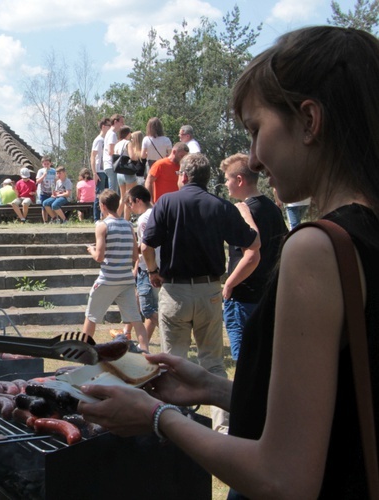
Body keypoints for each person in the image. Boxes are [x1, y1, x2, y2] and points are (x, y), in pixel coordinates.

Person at [79, 26, 379, 498]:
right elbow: (327, 413)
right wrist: (210, 387)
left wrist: (157, 417)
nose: (255, 158)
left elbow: (283, 478)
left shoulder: (317, 249)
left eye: (258, 130)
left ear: (309, 120)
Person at [141, 153, 260, 430]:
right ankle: (223, 428)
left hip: (175, 291)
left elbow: (146, 246)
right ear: (208, 179)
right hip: (209, 291)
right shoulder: (220, 205)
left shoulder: (167, 202)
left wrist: (152, 272)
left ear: (183, 176)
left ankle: (179, 426)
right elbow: (251, 242)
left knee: (173, 363)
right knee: (213, 364)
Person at [221, 153, 287, 361]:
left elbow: (250, 257)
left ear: (239, 180)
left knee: (244, 358)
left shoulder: (243, 212)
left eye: (227, 179)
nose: (225, 184)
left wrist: (229, 285)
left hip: (243, 296)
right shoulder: (273, 209)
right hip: (266, 294)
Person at [84, 190, 149, 351]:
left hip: (107, 279)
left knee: (91, 318)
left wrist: (91, 250)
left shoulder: (102, 225)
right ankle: (147, 353)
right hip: (126, 279)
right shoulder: (128, 225)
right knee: (136, 320)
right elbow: (135, 255)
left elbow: (99, 256)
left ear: (103, 206)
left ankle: (82, 351)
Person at [127, 185, 160, 343]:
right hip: (154, 265)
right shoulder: (158, 213)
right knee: (152, 306)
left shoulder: (143, 220)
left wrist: (133, 251)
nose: (130, 207)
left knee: (148, 309)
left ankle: (173, 331)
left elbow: (147, 246)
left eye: (130, 203)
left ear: (138, 200)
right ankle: (144, 344)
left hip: (149, 268)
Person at [113, 125, 138, 218]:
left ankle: (116, 217)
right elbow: (132, 156)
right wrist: (137, 156)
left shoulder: (117, 144)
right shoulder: (128, 143)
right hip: (127, 172)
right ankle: (126, 220)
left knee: (122, 197)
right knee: (129, 197)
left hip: (119, 173)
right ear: (128, 133)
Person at [91, 118, 111, 221]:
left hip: (107, 170)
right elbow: (93, 156)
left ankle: (105, 216)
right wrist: (94, 172)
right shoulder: (99, 140)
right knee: (99, 195)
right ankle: (96, 218)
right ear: (103, 126)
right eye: (108, 126)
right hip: (100, 171)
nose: (110, 128)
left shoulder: (107, 139)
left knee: (107, 195)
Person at [102, 114, 124, 191]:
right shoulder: (112, 134)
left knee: (114, 190)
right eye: (121, 122)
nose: (123, 124)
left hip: (109, 165)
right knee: (113, 191)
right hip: (111, 165)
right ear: (115, 122)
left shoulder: (110, 133)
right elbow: (111, 151)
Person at [35, 156, 57, 222]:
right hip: (43, 192)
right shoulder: (40, 171)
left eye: (48, 164)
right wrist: (44, 175)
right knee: (44, 207)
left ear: (50, 163)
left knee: (53, 206)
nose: (46, 165)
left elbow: (56, 181)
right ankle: (45, 221)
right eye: (45, 164)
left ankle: (55, 219)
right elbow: (37, 181)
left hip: (52, 192)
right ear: (42, 164)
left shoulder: (54, 171)